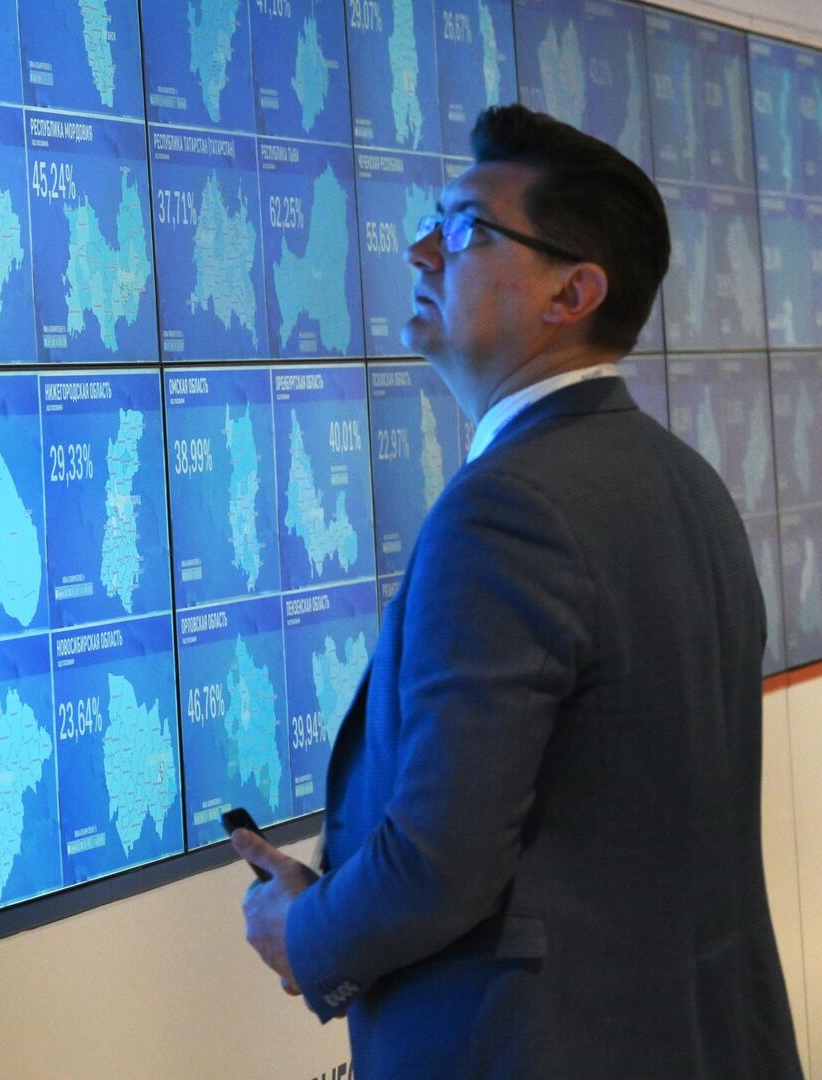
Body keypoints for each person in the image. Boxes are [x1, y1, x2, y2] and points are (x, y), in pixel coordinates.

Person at [229, 104, 803, 1079]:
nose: (420, 250)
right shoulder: (685, 479)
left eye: (466, 230)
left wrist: (307, 931)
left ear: (573, 292)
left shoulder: (507, 510)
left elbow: (441, 864)